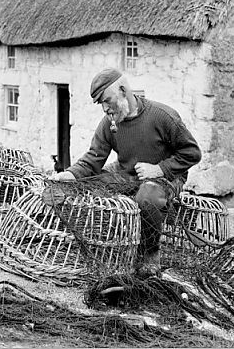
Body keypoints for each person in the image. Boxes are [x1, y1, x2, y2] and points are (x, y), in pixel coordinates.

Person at [50, 67, 202, 276]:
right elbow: (94, 158)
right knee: (93, 182)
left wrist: (159, 169)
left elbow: (192, 153)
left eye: (106, 100)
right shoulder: (109, 122)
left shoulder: (162, 116)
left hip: (166, 180)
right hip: (128, 175)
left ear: (123, 90)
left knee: (148, 194)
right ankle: (105, 242)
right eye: (100, 103)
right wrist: (70, 174)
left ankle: (150, 255)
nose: (104, 108)